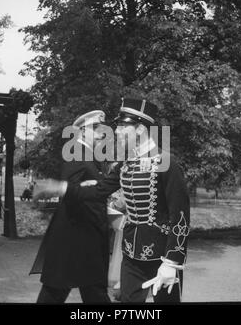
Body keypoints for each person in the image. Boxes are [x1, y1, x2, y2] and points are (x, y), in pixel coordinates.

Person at [34, 97, 190, 303]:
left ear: (140, 129)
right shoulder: (126, 164)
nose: (116, 132)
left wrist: (172, 261)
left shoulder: (166, 162)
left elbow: (180, 216)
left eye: (123, 126)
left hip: (161, 257)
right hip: (131, 257)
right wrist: (62, 187)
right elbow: (98, 191)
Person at [30, 110, 112, 304]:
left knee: (86, 291)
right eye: (95, 128)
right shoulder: (77, 152)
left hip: (84, 236)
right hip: (76, 236)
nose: (102, 133)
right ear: (82, 132)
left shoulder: (89, 155)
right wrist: (82, 189)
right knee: (60, 290)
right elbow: (71, 191)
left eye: (102, 128)